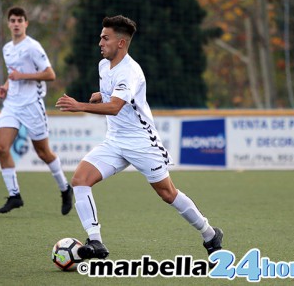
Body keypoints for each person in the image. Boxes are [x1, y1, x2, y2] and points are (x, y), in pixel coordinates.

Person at [55, 15, 223, 266]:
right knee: (80, 180)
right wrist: (102, 94)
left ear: (121, 43)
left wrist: (79, 105)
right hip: (115, 141)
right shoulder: (104, 65)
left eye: (105, 38)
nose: (100, 42)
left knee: (168, 194)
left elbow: (114, 107)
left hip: (141, 142)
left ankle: (210, 234)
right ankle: (95, 241)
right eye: (101, 37)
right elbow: (114, 98)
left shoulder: (131, 71)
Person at [0, 7, 73, 215]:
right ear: (8, 24)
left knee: (43, 152)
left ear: (26, 23)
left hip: (32, 105)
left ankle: (65, 189)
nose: (16, 23)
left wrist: (22, 77)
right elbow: (13, 74)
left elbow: (50, 74)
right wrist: (6, 86)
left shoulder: (33, 47)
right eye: (12, 20)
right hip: (12, 104)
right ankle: (15, 195)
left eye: (20, 20)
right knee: (2, 148)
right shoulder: (7, 48)